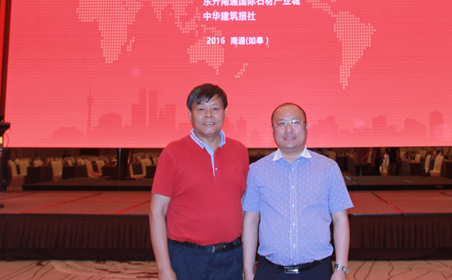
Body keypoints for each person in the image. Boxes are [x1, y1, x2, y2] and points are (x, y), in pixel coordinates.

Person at [242, 103, 353, 280]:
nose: (289, 129)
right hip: (270, 272)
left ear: (306, 126)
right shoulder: (257, 170)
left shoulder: (328, 168)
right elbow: (251, 221)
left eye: (295, 122)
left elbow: (340, 219)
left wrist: (340, 268)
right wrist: (248, 271)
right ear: (272, 129)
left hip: (317, 271)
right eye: (281, 123)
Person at [149, 84, 249, 280]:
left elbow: (245, 206)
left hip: (231, 257)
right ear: (190, 114)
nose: (208, 115)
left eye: (215, 108)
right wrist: (164, 269)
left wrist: (246, 263)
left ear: (225, 112)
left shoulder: (240, 151)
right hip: (188, 259)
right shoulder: (172, 153)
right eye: (201, 109)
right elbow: (156, 212)